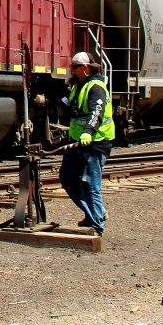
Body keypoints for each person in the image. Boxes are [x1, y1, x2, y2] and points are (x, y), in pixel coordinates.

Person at [59, 51, 114, 235]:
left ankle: (96, 225)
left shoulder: (96, 86)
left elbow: (96, 111)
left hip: (95, 141)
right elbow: (74, 110)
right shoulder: (78, 85)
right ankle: (95, 214)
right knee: (67, 176)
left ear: (85, 68)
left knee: (89, 183)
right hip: (78, 141)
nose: (71, 70)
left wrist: (89, 132)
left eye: (74, 67)